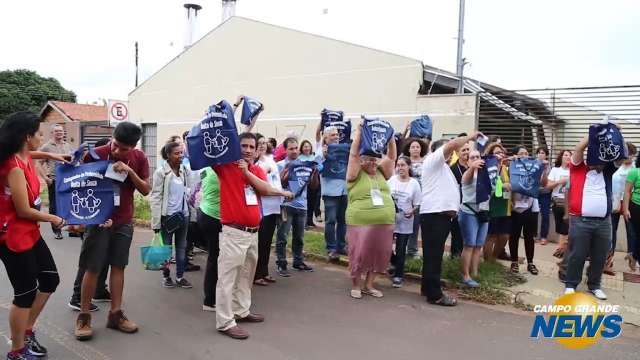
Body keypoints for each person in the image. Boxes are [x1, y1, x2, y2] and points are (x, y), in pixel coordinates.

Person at [74, 121, 151, 341]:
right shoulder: (95, 155)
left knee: (119, 267)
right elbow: (78, 187)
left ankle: (115, 315)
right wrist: (84, 218)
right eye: (115, 145)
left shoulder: (139, 158)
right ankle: (84, 316)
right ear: (112, 137)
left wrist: (129, 172)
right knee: (92, 268)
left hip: (123, 221)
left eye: (123, 149)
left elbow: (145, 190)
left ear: (134, 147)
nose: (117, 151)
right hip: (97, 221)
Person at [0, 112, 67, 359]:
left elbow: (33, 155)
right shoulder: (13, 168)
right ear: (27, 137)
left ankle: (26, 331)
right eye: (38, 134)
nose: (42, 137)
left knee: (50, 280)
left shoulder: (23, 154)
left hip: (29, 233)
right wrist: (53, 218)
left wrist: (52, 155)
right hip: (13, 237)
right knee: (24, 294)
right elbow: (23, 210)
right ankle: (16, 351)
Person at [214, 132, 293, 340]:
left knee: (247, 275)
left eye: (252, 146)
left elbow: (265, 189)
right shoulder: (226, 166)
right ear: (235, 147)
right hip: (233, 232)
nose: (248, 150)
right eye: (244, 146)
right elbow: (218, 144)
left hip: (252, 233)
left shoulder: (256, 169)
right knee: (227, 278)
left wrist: (247, 172)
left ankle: (241, 310)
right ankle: (225, 321)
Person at [419, 132, 483, 306]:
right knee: (434, 256)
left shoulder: (443, 167)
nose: (452, 151)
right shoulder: (433, 160)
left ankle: (428, 286)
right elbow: (452, 144)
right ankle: (435, 295)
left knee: (433, 254)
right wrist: (471, 137)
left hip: (440, 216)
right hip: (435, 215)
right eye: (448, 149)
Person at [345, 122, 396, 299]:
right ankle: (356, 284)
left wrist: (390, 137)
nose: (373, 161)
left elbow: (392, 156)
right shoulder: (354, 174)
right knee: (359, 253)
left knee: (380, 253)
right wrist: (359, 133)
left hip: (385, 222)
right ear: (361, 160)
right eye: (368, 158)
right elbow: (353, 154)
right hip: (360, 221)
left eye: (375, 158)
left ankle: (369, 285)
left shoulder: (382, 172)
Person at [565, 135, 619, 300]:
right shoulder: (578, 168)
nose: (598, 162)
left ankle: (594, 285)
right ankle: (571, 284)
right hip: (581, 220)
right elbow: (579, 149)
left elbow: (621, 155)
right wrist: (595, 134)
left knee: (600, 255)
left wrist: (615, 134)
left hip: (604, 221)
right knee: (577, 254)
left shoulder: (608, 171)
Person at [68, 137, 113, 313]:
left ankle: (98, 290)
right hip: (92, 222)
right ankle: (77, 297)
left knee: (100, 258)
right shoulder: (87, 174)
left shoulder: (103, 172)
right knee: (89, 261)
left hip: (103, 220)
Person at [150, 141, 193, 289]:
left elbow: (189, 190)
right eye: (177, 153)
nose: (180, 156)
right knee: (166, 249)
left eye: (182, 153)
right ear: (168, 155)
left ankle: (180, 276)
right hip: (167, 217)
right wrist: (156, 222)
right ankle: (166, 276)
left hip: (183, 215)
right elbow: (156, 197)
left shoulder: (185, 170)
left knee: (181, 247)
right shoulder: (161, 172)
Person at [276, 137, 316, 276]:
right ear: (285, 150)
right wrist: (286, 171)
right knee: (283, 236)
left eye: (296, 148)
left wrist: (314, 172)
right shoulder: (280, 165)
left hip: (302, 205)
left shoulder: (305, 163)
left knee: (299, 237)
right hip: (286, 205)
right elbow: (277, 185)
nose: (294, 151)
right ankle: (281, 264)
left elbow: (312, 186)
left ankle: (298, 261)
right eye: (291, 148)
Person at [508, 145, 547, 275]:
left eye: (526, 153)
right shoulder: (511, 167)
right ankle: (514, 262)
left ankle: (530, 263)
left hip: (530, 207)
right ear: (515, 155)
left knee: (529, 237)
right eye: (521, 153)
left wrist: (544, 169)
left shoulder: (532, 168)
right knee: (514, 236)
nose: (524, 155)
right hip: (515, 207)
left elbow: (544, 184)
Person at [315, 125, 348, 261]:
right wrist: (323, 154)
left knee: (342, 220)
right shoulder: (321, 150)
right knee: (330, 221)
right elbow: (317, 164)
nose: (336, 137)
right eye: (333, 135)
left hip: (343, 190)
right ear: (326, 137)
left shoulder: (343, 149)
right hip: (330, 192)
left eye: (337, 135)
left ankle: (341, 246)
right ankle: (331, 248)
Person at [253, 134, 282, 286]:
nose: (263, 145)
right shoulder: (255, 165)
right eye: (260, 143)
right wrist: (283, 193)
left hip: (273, 207)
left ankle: (264, 271)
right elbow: (264, 189)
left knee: (267, 243)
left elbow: (276, 181)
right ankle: (256, 274)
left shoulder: (270, 159)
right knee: (260, 243)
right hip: (262, 208)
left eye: (265, 143)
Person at [387, 156, 421, 288]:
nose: (400, 168)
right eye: (398, 165)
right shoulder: (392, 180)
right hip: (390, 219)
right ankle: (395, 263)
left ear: (409, 167)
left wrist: (412, 211)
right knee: (386, 247)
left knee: (401, 248)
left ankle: (398, 275)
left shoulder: (414, 183)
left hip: (405, 221)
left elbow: (418, 204)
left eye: (403, 165)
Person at [459, 150, 490, 287]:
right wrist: (473, 167)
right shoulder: (467, 174)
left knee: (478, 246)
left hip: (483, 212)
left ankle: (475, 273)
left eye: (478, 157)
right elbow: (467, 178)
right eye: (473, 158)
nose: (476, 159)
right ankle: (465, 275)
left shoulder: (486, 175)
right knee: (469, 245)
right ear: (468, 161)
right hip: (469, 212)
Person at [37, 123, 72, 240]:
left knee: (69, 204)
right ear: (52, 133)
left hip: (68, 180)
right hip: (55, 180)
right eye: (57, 131)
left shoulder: (67, 145)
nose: (59, 133)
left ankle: (72, 228)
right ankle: (57, 230)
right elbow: (38, 163)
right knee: (55, 205)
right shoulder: (47, 147)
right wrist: (46, 178)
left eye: (61, 131)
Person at [198, 158, 222, 311]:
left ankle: (212, 297)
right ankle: (210, 300)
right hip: (214, 216)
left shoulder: (206, 167)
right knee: (215, 258)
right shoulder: (219, 171)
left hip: (205, 212)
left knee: (215, 257)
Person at [483, 143, 512, 261]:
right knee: (491, 236)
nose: (500, 155)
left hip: (505, 205)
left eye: (501, 152)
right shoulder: (488, 168)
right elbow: (490, 186)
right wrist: (503, 186)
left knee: (504, 236)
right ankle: (488, 262)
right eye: (496, 153)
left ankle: (494, 258)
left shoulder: (505, 168)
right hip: (492, 205)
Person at [401, 138, 428, 259]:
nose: (415, 149)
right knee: (406, 223)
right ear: (409, 149)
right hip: (408, 196)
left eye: (417, 147)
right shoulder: (405, 161)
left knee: (417, 225)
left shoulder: (426, 160)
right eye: (413, 147)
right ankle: (404, 249)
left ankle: (412, 249)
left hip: (423, 197)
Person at [613, 143, 637, 273]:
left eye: (631, 154)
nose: (628, 156)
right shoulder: (617, 167)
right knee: (612, 228)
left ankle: (632, 256)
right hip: (616, 200)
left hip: (630, 201)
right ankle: (609, 255)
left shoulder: (635, 168)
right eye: (626, 153)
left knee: (631, 231)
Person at [545, 150, 571, 261]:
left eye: (570, 155)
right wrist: (560, 181)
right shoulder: (555, 170)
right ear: (561, 157)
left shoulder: (573, 171)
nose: (568, 157)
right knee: (560, 228)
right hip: (557, 201)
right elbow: (548, 186)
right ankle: (562, 249)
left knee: (566, 227)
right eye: (565, 155)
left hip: (569, 203)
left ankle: (562, 249)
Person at [449, 141, 471, 258]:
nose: (466, 153)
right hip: (458, 205)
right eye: (463, 150)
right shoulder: (452, 169)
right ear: (457, 153)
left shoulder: (474, 166)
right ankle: (455, 259)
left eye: (468, 150)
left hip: (472, 205)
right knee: (457, 235)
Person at [623, 147, 640, 273]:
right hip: (636, 206)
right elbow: (627, 192)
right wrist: (626, 209)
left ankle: (633, 256)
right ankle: (634, 256)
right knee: (637, 234)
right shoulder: (635, 172)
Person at [299, 139, 322, 227]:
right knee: (306, 202)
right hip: (304, 182)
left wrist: (317, 168)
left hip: (315, 181)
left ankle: (310, 220)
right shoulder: (299, 157)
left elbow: (321, 166)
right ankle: (304, 222)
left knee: (313, 202)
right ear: (302, 148)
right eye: (305, 146)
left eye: (308, 146)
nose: (307, 148)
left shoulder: (314, 157)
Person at [536, 147, 552, 245]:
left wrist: (545, 169)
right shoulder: (533, 164)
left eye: (543, 153)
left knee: (545, 215)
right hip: (535, 192)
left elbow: (547, 181)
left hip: (545, 193)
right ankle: (533, 235)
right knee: (533, 214)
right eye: (539, 153)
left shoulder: (550, 167)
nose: (541, 155)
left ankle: (543, 236)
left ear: (546, 155)